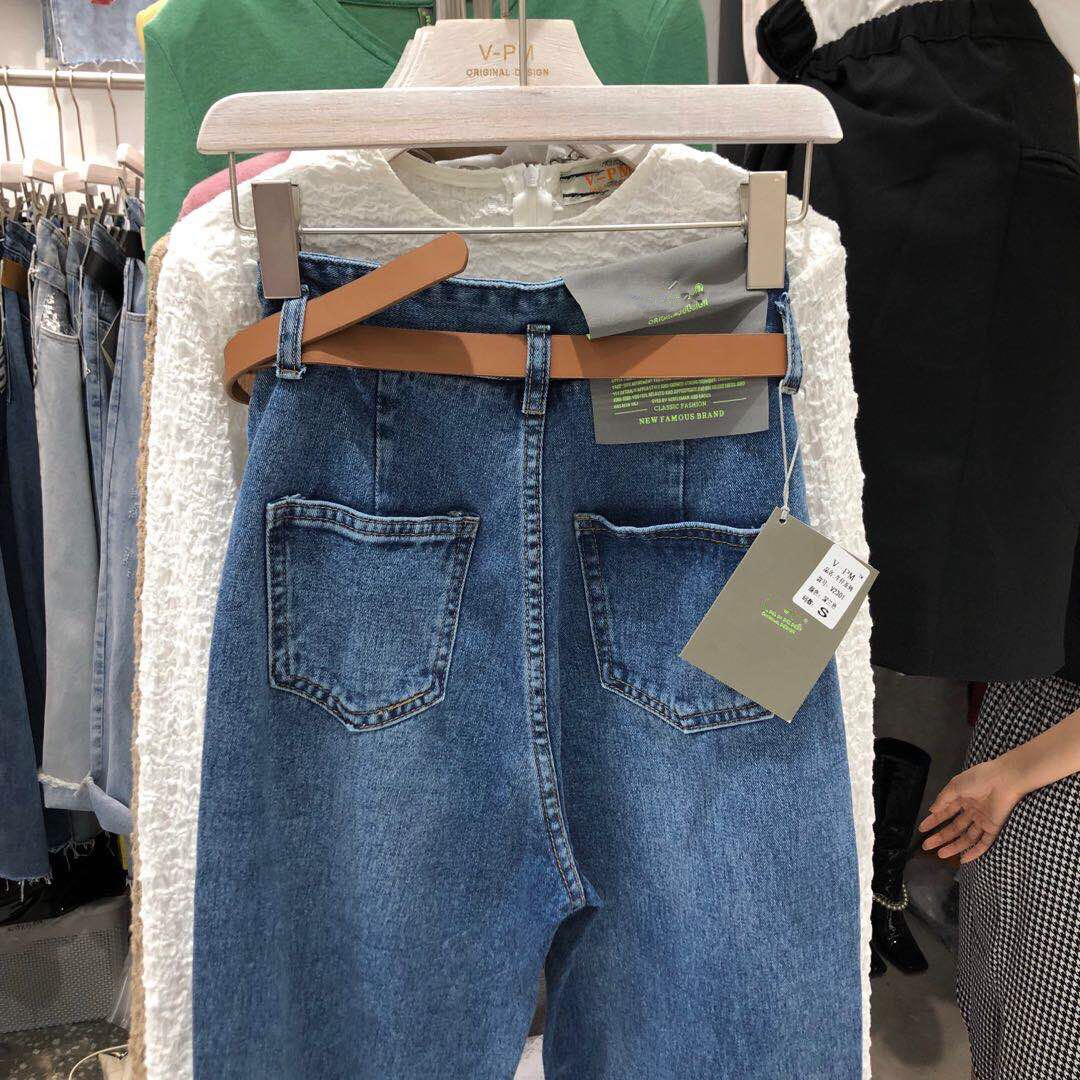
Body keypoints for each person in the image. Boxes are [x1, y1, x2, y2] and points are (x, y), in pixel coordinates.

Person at [919, 677, 1080, 1079]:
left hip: (1051, 766)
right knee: (995, 1014)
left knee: (1044, 1037)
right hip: (1020, 705)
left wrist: (1013, 772)